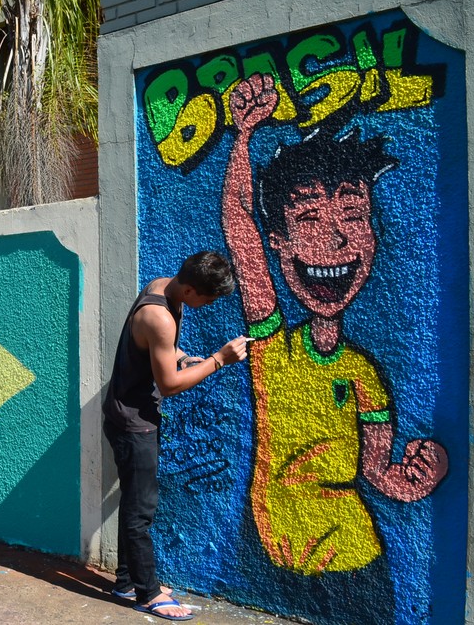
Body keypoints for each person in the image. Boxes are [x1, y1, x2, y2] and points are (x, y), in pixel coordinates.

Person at [217, 74, 447, 620]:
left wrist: (419, 477)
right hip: (267, 554)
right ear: (281, 242)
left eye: (353, 216)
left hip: (353, 561)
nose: (335, 239)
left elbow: (377, 472)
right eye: (309, 219)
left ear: (371, 234)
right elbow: (238, 223)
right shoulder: (271, 342)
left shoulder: (364, 375)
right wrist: (244, 137)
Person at [102, 251, 248, 622]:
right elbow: (167, 385)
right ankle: (147, 594)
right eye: (209, 298)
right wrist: (218, 360)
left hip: (129, 412)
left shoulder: (162, 288)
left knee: (134, 499)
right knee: (141, 509)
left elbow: (161, 355)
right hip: (134, 421)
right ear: (189, 289)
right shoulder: (159, 317)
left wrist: (183, 358)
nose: (210, 305)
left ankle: (125, 581)